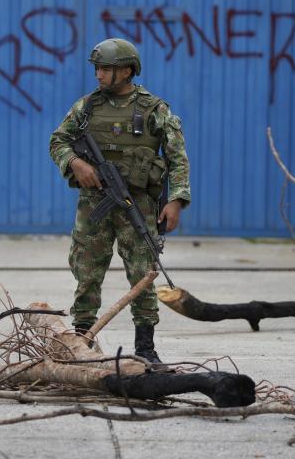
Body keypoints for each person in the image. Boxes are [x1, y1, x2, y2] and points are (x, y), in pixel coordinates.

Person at [48, 38, 191, 364]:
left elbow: (177, 158)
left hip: (138, 205)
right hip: (93, 205)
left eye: (106, 69)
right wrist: (75, 163)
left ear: (127, 71)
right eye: (97, 68)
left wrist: (176, 201)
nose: (98, 75)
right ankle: (82, 339)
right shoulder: (86, 107)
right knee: (86, 272)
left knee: (143, 273)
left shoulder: (154, 109)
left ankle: (146, 349)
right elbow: (58, 141)